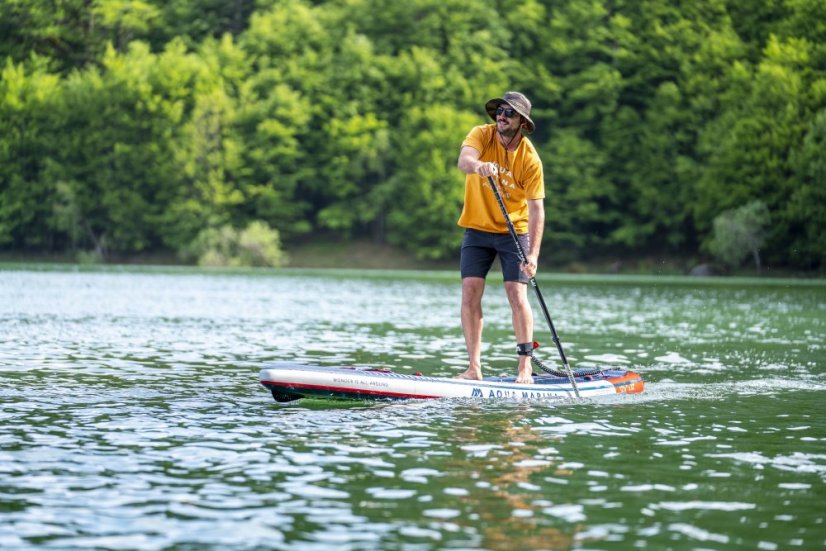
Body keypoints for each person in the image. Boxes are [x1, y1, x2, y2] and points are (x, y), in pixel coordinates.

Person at [455, 91, 545, 384]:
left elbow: (536, 210)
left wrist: (532, 256)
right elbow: (464, 160)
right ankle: (473, 368)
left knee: (516, 294)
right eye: (500, 111)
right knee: (470, 290)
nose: (502, 117)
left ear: (522, 122)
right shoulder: (482, 134)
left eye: (509, 113)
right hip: (477, 228)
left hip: (513, 231)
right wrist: (478, 165)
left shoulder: (530, 159)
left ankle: (524, 368)